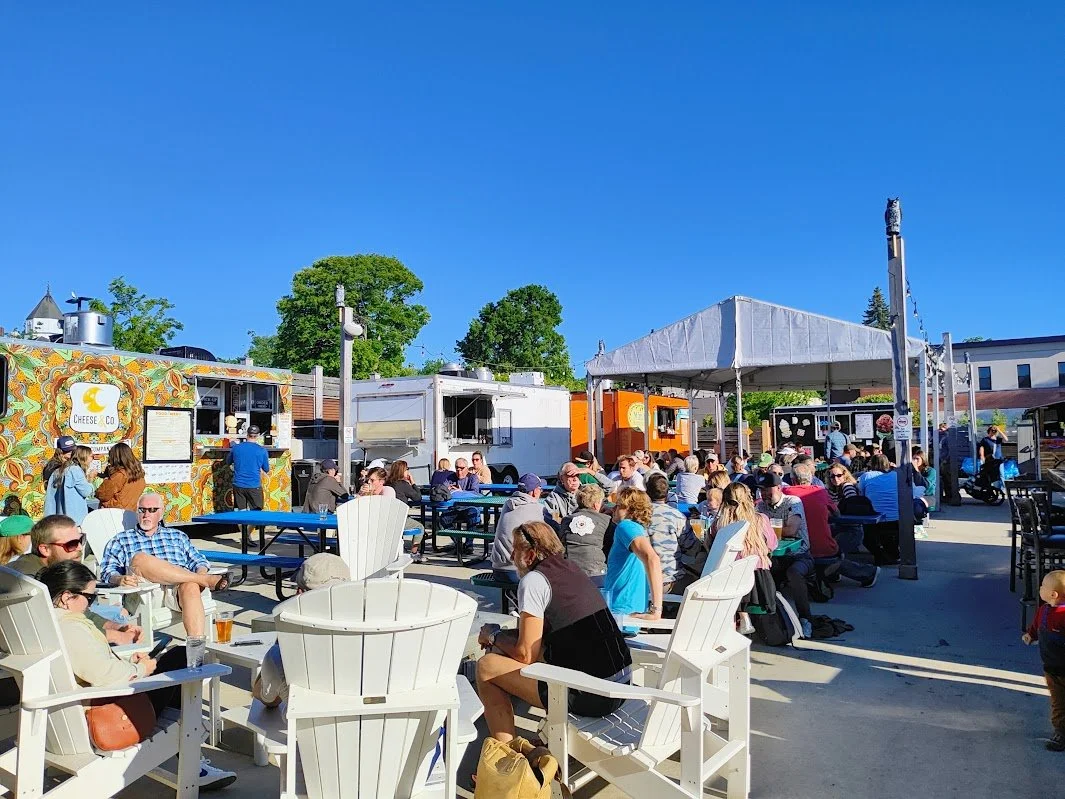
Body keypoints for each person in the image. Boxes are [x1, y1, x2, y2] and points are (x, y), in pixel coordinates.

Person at [38, 561, 237, 790]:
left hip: (72, 715)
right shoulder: (70, 628)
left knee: (172, 662)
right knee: (180, 659)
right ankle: (193, 763)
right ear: (66, 597)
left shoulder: (47, 624)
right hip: (111, 714)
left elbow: (90, 665)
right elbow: (104, 675)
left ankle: (192, 759)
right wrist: (143, 669)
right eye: (89, 598)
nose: (89, 605)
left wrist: (130, 663)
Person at [476, 521, 632, 742]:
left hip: (594, 696)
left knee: (486, 667)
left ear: (530, 555)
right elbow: (537, 639)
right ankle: (539, 738)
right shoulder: (571, 569)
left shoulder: (534, 581)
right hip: (619, 685)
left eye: (515, 550)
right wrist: (500, 639)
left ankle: (507, 753)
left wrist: (493, 635)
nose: (511, 556)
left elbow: (525, 654)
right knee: (503, 649)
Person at [99, 492, 230, 638]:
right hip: (146, 594)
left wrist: (201, 572)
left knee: (191, 586)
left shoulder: (177, 536)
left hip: (177, 591)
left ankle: (196, 645)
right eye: (142, 510)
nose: (146, 514)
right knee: (139, 559)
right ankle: (204, 580)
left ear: (161, 513)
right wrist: (119, 579)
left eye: (152, 510)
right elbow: (107, 571)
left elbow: (198, 560)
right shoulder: (121, 539)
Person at [253, 554, 351, 710]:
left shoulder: (281, 655)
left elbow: (267, 699)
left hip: (308, 722)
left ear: (299, 593)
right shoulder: (374, 636)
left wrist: (282, 639)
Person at [786, 461, 878, 588]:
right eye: (832, 476)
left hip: (807, 546)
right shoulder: (821, 492)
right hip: (828, 540)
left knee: (829, 553)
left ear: (792, 479)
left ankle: (865, 572)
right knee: (828, 547)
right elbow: (836, 513)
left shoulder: (786, 493)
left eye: (838, 475)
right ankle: (862, 572)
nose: (835, 479)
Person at [755, 472, 814, 638]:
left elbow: (791, 530)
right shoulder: (760, 506)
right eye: (762, 490)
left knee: (794, 573)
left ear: (779, 488)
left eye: (768, 489)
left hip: (799, 554)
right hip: (775, 556)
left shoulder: (793, 502)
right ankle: (770, 621)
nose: (764, 493)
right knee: (758, 572)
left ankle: (805, 619)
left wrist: (766, 531)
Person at [601, 487, 663, 619]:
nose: (613, 509)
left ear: (630, 510)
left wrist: (656, 610)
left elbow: (652, 559)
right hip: (626, 610)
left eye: (618, 506)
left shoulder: (626, 526)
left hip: (622, 612)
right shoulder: (636, 528)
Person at [1022, 570, 1065, 752]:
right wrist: (1030, 635)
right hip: (1051, 668)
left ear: (1053, 594)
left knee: (1059, 701)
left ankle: (1061, 732)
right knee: (1058, 701)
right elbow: (1036, 626)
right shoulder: (1043, 611)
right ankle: (1060, 731)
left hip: (1059, 665)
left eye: (1043, 586)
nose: (1040, 588)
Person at [490, 473, 548, 582]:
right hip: (518, 571)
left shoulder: (507, 505)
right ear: (535, 491)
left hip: (498, 569)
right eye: (540, 489)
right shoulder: (539, 508)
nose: (541, 492)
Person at [559, 484, 612, 583]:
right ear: (596, 504)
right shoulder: (606, 521)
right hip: (596, 572)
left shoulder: (566, 520)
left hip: (568, 570)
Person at [645, 473, 684, 595]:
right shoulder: (677, 516)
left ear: (647, 492)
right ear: (667, 494)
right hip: (669, 580)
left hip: (643, 580)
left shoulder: (639, 516)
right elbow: (692, 547)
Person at [385, 459, 427, 562]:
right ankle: (414, 553)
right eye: (407, 469)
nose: (408, 471)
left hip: (388, 518)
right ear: (402, 471)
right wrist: (413, 483)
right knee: (420, 527)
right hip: (399, 518)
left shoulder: (388, 483)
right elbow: (417, 498)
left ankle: (398, 550)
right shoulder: (403, 484)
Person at [44, 443, 95, 524]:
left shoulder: (58, 471)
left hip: (60, 517)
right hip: (74, 519)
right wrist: (90, 479)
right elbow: (86, 492)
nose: (92, 459)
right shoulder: (75, 470)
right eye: (92, 456)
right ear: (84, 457)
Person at [224, 424, 271, 510]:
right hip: (254, 485)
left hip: (238, 485)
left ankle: (241, 519)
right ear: (258, 435)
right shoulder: (262, 450)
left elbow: (228, 462)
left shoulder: (236, 448)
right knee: (256, 513)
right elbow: (266, 469)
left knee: (241, 513)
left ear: (247, 434)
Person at [95, 442, 147, 512]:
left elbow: (103, 494)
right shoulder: (139, 474)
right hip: (131, 511)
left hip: (115, 512)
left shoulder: (120, 475)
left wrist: (105, 480)